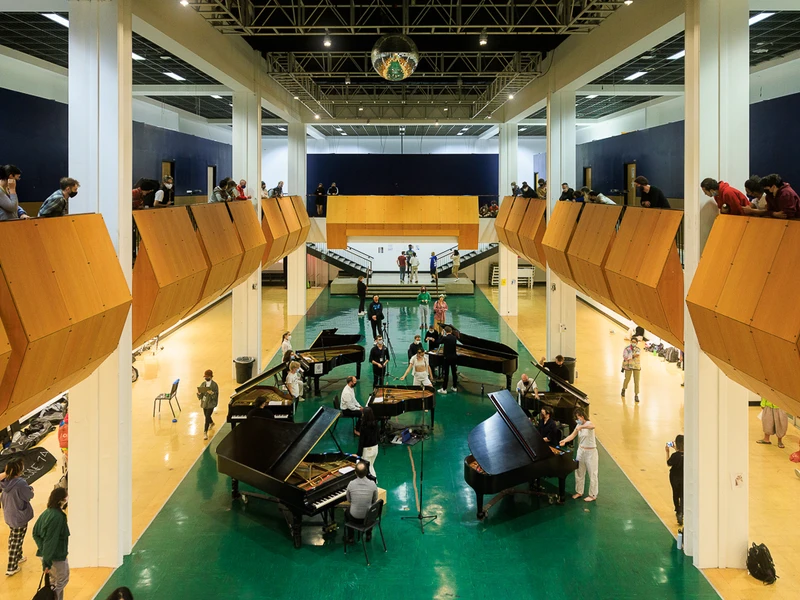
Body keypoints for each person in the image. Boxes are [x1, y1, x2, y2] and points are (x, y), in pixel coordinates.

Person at [32, 487, 70, 600]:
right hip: (55, 556)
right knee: (62, 579)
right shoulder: (58, 517)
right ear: (61, 500)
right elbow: (51, 541)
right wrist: (47, 562)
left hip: (47, 554)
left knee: (53, 581)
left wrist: (42, 550)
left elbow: (35, 533)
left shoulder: (46, 513)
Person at [0, 458, 34, 576]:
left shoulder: (5, 481)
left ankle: (18, 556)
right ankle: (11, 567)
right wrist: (31, 489)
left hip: (9, 514)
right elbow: (29, 496)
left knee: (14, 536)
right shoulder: (20, 483)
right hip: (19, 516)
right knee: (16, 540)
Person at [560, 407, 597, 502]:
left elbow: (593, 426)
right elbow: (572, 435)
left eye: (578, 417)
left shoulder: (588, 424)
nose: (577, 420)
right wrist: (564, 440)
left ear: (582, 416)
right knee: (579, 471)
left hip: (591, 452)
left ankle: (593, 495)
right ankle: (579, 491)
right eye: (576, 418)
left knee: (592, 473)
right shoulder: (578, 425)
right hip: (581, 451)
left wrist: (582, 427)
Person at [344, 462, 378, 543]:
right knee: (370, 509)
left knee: (346, 512)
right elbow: (375, 499)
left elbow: (348, 500)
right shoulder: (372, 484)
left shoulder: (351, 484)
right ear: (366, 472)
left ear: (355, 472)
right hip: (368, 518)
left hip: (354, 518)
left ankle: (351, 537)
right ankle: (368, 534)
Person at [666, 434, 684, 526]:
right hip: (684, 477)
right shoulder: (688, 455)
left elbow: (669, 463)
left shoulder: (674, 455)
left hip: (674, 478)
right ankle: (682, 511)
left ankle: (678, 511)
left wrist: (667, 452)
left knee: (675, 494)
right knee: (682, 494)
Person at [197, 369, 219, 440]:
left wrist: (212, 393)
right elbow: (200, 396)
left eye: (207, 377)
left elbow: (216, 396)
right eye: (205, 377)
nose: (206, 378)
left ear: (211, 377)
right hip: (204, 403)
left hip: (211, 404)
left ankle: (205, 432)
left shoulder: (214, 385)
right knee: (206, 415)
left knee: (206, 417)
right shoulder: (203, 384)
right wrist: (199, 394)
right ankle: (212, 423)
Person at [358, 408, 380, 479]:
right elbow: (378, 436)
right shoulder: (376, 423)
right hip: (375, 448)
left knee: (367, 468)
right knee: (371, 465)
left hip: (367, 450)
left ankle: (372, 483)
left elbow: (361, 441)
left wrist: (359, 453)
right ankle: (374, 482)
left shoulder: (364, 426)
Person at [621, 336, 642, 403]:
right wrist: (632, 356)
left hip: (636, 366)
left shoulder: (638, 349)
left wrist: (630, 356)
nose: (633, 343)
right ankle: (624, 389)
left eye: (635, 342)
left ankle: (636, 395)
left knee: (637, 381)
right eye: (632, 342)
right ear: (630, 342)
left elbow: (637, 355)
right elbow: (625, 356)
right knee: (627, 379)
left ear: (637, 343)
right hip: (628, 366)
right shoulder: (626, 348)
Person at [438, 326, 458, 394]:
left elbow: (439, 342)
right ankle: (454, 387)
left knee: (446, 374)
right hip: (454, 357)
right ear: (451, 331)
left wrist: (441, 335)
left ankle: (444, 389)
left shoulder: (445, 338)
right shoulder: (454, 338)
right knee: (454, 373)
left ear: (445, 331)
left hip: (447, 358)